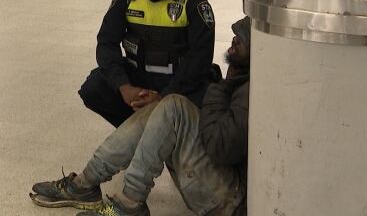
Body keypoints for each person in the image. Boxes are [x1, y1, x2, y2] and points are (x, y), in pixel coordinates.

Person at [30, 17, 251, 216]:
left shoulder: (253, 90)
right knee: (163, 105)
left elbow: (220, 147)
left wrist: (222, 88)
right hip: (225, 184)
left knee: (173, 108)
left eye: (244, 36)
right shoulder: (245, 82)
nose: (235, 38)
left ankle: (130, 204)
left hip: (233, 201)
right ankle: (84, 183)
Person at [79, 0, 217, 127]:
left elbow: (200, 58)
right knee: (93, 87)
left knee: (211, 98)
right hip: (138, 77)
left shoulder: (193, 1)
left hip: (179, 80)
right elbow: (106, 44)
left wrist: (163, 96)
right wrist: (124, 87)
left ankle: (168, 134)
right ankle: (137, 129)